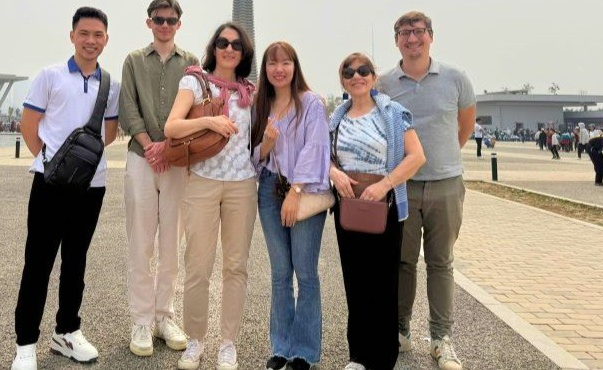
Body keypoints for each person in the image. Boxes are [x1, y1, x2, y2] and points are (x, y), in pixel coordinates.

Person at [10, 7, 121, 370]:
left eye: (98, 35)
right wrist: (49, 160)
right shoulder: (50, 75)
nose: (91, 41)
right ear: (72, 36)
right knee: (38, 262)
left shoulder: (111, 85)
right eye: (84, 33)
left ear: (106, 39)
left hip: (92, 185)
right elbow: (29, 124)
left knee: (76, 261)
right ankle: (26, 343)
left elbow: (109, 134)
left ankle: (67, 331)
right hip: (50, 183)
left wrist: (80, 164)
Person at [377, 11, 476, 370]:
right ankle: (400, 329)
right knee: (402, 261)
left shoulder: (455, 78)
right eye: (404, 32)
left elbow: (464, 126)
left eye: (418, 31)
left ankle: (441, 338)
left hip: (446, 183)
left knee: (441, 262)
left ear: (431, 36)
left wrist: (441, 157)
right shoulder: (385, 84)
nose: (412, 38)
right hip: (403, 186)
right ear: (397, 41)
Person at [164, 22, 257, 370]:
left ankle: (228, 343)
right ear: (213, 47)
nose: (229, 49)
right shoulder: (194, 81)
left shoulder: (251, 92)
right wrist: (210, 122)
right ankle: (196, 340)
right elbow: (172, 127)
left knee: (236, 266)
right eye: (222, 42)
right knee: (198, 265)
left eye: (236, 44)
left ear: (244, 53)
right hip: (202, 181)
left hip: (242, 184)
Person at [330, 53, 426, 370]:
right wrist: (334, 173)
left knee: (383, 283)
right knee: (355, 282)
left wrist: (385, 185)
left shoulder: (392, 113)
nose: (356, 76)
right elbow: (324, 156)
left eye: (363, 70)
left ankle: (383, 358)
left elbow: (416, 156)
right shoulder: (337, 118)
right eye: (349, 72)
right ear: (343, 81)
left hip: (384, 206)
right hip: (348, 208)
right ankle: (359, 355)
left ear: (373, 77)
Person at [119, 0, 199, 357]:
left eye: (170, 20)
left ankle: (165, 315)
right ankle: (141, 319)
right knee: (141, 241)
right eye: (158, 19)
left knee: (171, 242)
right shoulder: (134, 60)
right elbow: (128, 106)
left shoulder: (192, 63)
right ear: (148, 22)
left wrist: (169, 147)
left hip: (177, 161)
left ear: (179, 24)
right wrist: (150, 145)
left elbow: (195, 109)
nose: (164, 25)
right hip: (141, 157)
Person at [250, 42, 331, 370]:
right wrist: (266, 145)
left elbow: (317, 147)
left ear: (295, 67)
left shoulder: (311, 103)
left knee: (306, 272)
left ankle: (305, 351)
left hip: (304, 189)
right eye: (272, 63)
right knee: (280, 273)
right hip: (270, 189)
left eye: (285, 63)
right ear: (265, 69)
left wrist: (296, 191)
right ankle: (281, 347)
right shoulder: (260, 105)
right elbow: (253, 158)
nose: (279, 69)